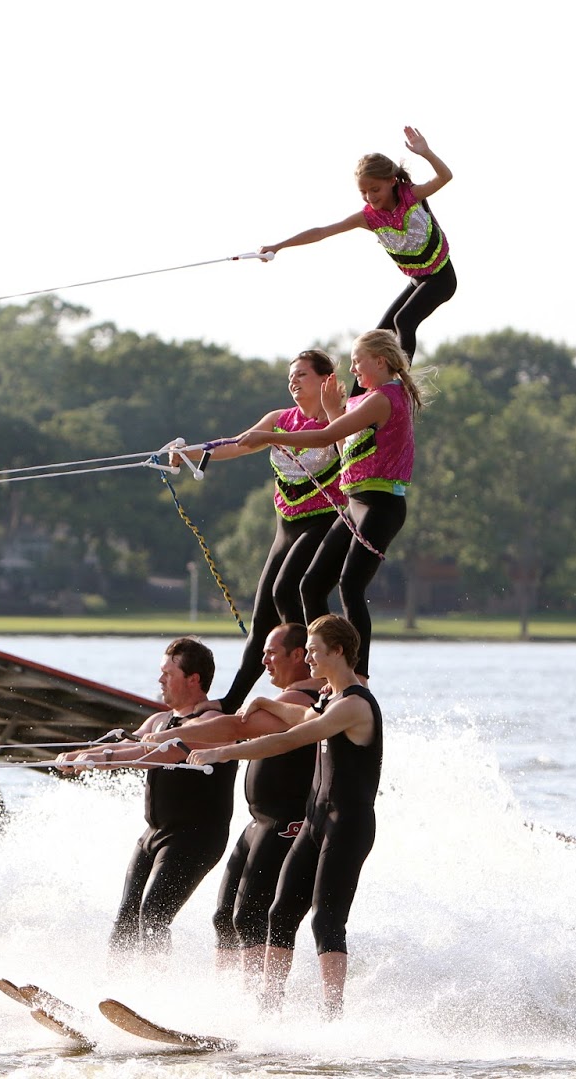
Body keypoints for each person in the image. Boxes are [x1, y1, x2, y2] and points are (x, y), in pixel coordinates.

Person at [189, 615, 383, 1018]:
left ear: (338, 651)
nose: (308, 657)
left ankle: (333, 1014)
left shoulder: (354, 704)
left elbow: (293, 738)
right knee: (280, 914)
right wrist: (265, 702)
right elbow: (301, 718)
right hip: (315, 824)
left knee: (326, 921)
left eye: (314, 650)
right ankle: (269, 1008)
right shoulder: (330, 701)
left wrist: (223, 751)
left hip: (347, 826)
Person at [135, 625, 323, 978]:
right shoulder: (280, 701)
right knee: (225, 916)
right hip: (257, 821)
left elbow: (234, 728)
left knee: (250, 914)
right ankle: (229, 1000)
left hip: (287, 820)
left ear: (299, 655)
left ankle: (258, 1002)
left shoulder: (303, 700)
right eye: (263, 653)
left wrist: (185, 738)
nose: (265, 661)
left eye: (272, 653)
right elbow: (243, 735)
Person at [236, 331, 420, 681]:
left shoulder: (383, 399)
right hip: (355, 504)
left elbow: (326, 437)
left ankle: (357, 676)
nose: (352, 368)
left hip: (381, 505)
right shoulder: (366, 400)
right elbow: (343, 438)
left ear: (379, 362)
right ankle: (321, 673)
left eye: (356, 360)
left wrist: (270, 437)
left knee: (350, 585)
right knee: (310, 586)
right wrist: (334, 407)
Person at [177, 349, 343, 713]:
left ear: (325, 379)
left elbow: (349, 454)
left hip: (326, 522)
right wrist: (184, 454)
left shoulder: (339, 419)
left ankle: (316, 679)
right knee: (262, 616)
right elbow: (236, 444)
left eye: (301, 374)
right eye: (290, 376)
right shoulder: (279, 420)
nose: (293, 381)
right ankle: (232, 702)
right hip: (287, 526)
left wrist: (332, 413)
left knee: (291, 590)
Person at [54, 638, 236, 955]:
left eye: (168, 673)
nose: (160, 680)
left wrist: (98, 760)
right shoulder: (158, 721)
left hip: (195, 838)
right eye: (161, 673)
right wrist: (82, 754)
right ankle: (114, 989)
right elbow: (130, 745)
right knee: (125, 919)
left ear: (193, 679)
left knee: (153, 917)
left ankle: (155, 990)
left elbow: (150, 755)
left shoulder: (211, 724)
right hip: (154, 834)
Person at [260, 127, 455, 365]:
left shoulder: (412, 196)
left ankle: (401, 384)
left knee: (404, 321)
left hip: (441, 277)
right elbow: (322, 232)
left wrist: (427, 153)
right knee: (377, 338)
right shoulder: (367, 218)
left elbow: (445, 177)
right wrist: (278, 246)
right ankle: (356, 400)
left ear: (392, 181)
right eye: (363, 192)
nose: (370, 197)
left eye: (375, 190)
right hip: (417, 280)